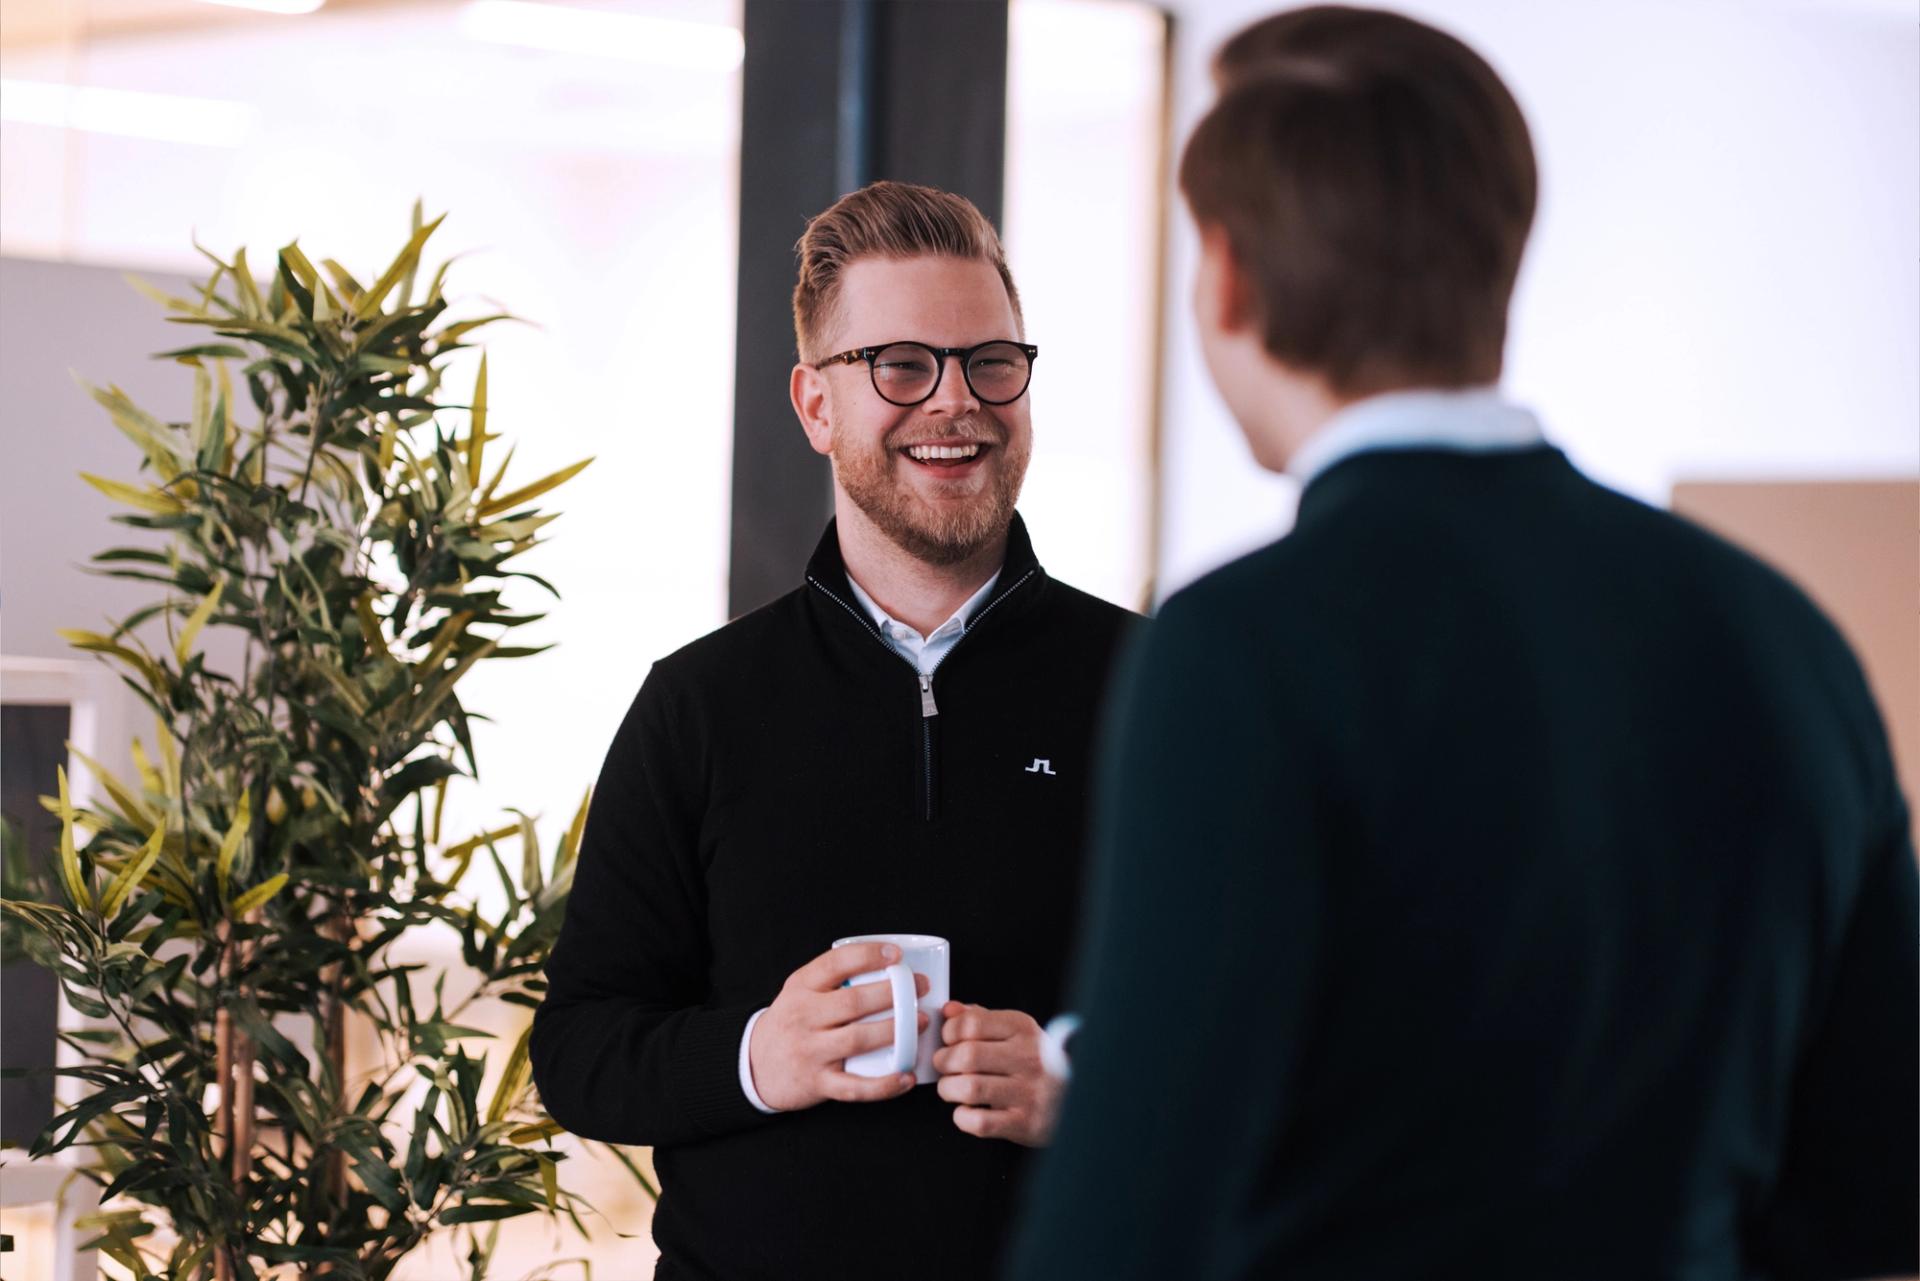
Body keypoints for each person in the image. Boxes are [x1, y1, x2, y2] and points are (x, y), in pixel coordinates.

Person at [1006, 7, 1919, 1279]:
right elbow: (1877, 1190)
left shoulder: (1241, 648)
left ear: (1226, 277)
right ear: (1500, 253)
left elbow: (1124, 1232)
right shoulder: (1785, 637)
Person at [529, 180, 1138, 1280]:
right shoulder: (698, 705)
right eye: (902, 366)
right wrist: (764, 1053)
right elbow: (579, 1053)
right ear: (815, 406)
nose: (957, 403)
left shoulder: (1156, 687)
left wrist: (1086, 1088)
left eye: (990, 361)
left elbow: (1295, 1028)